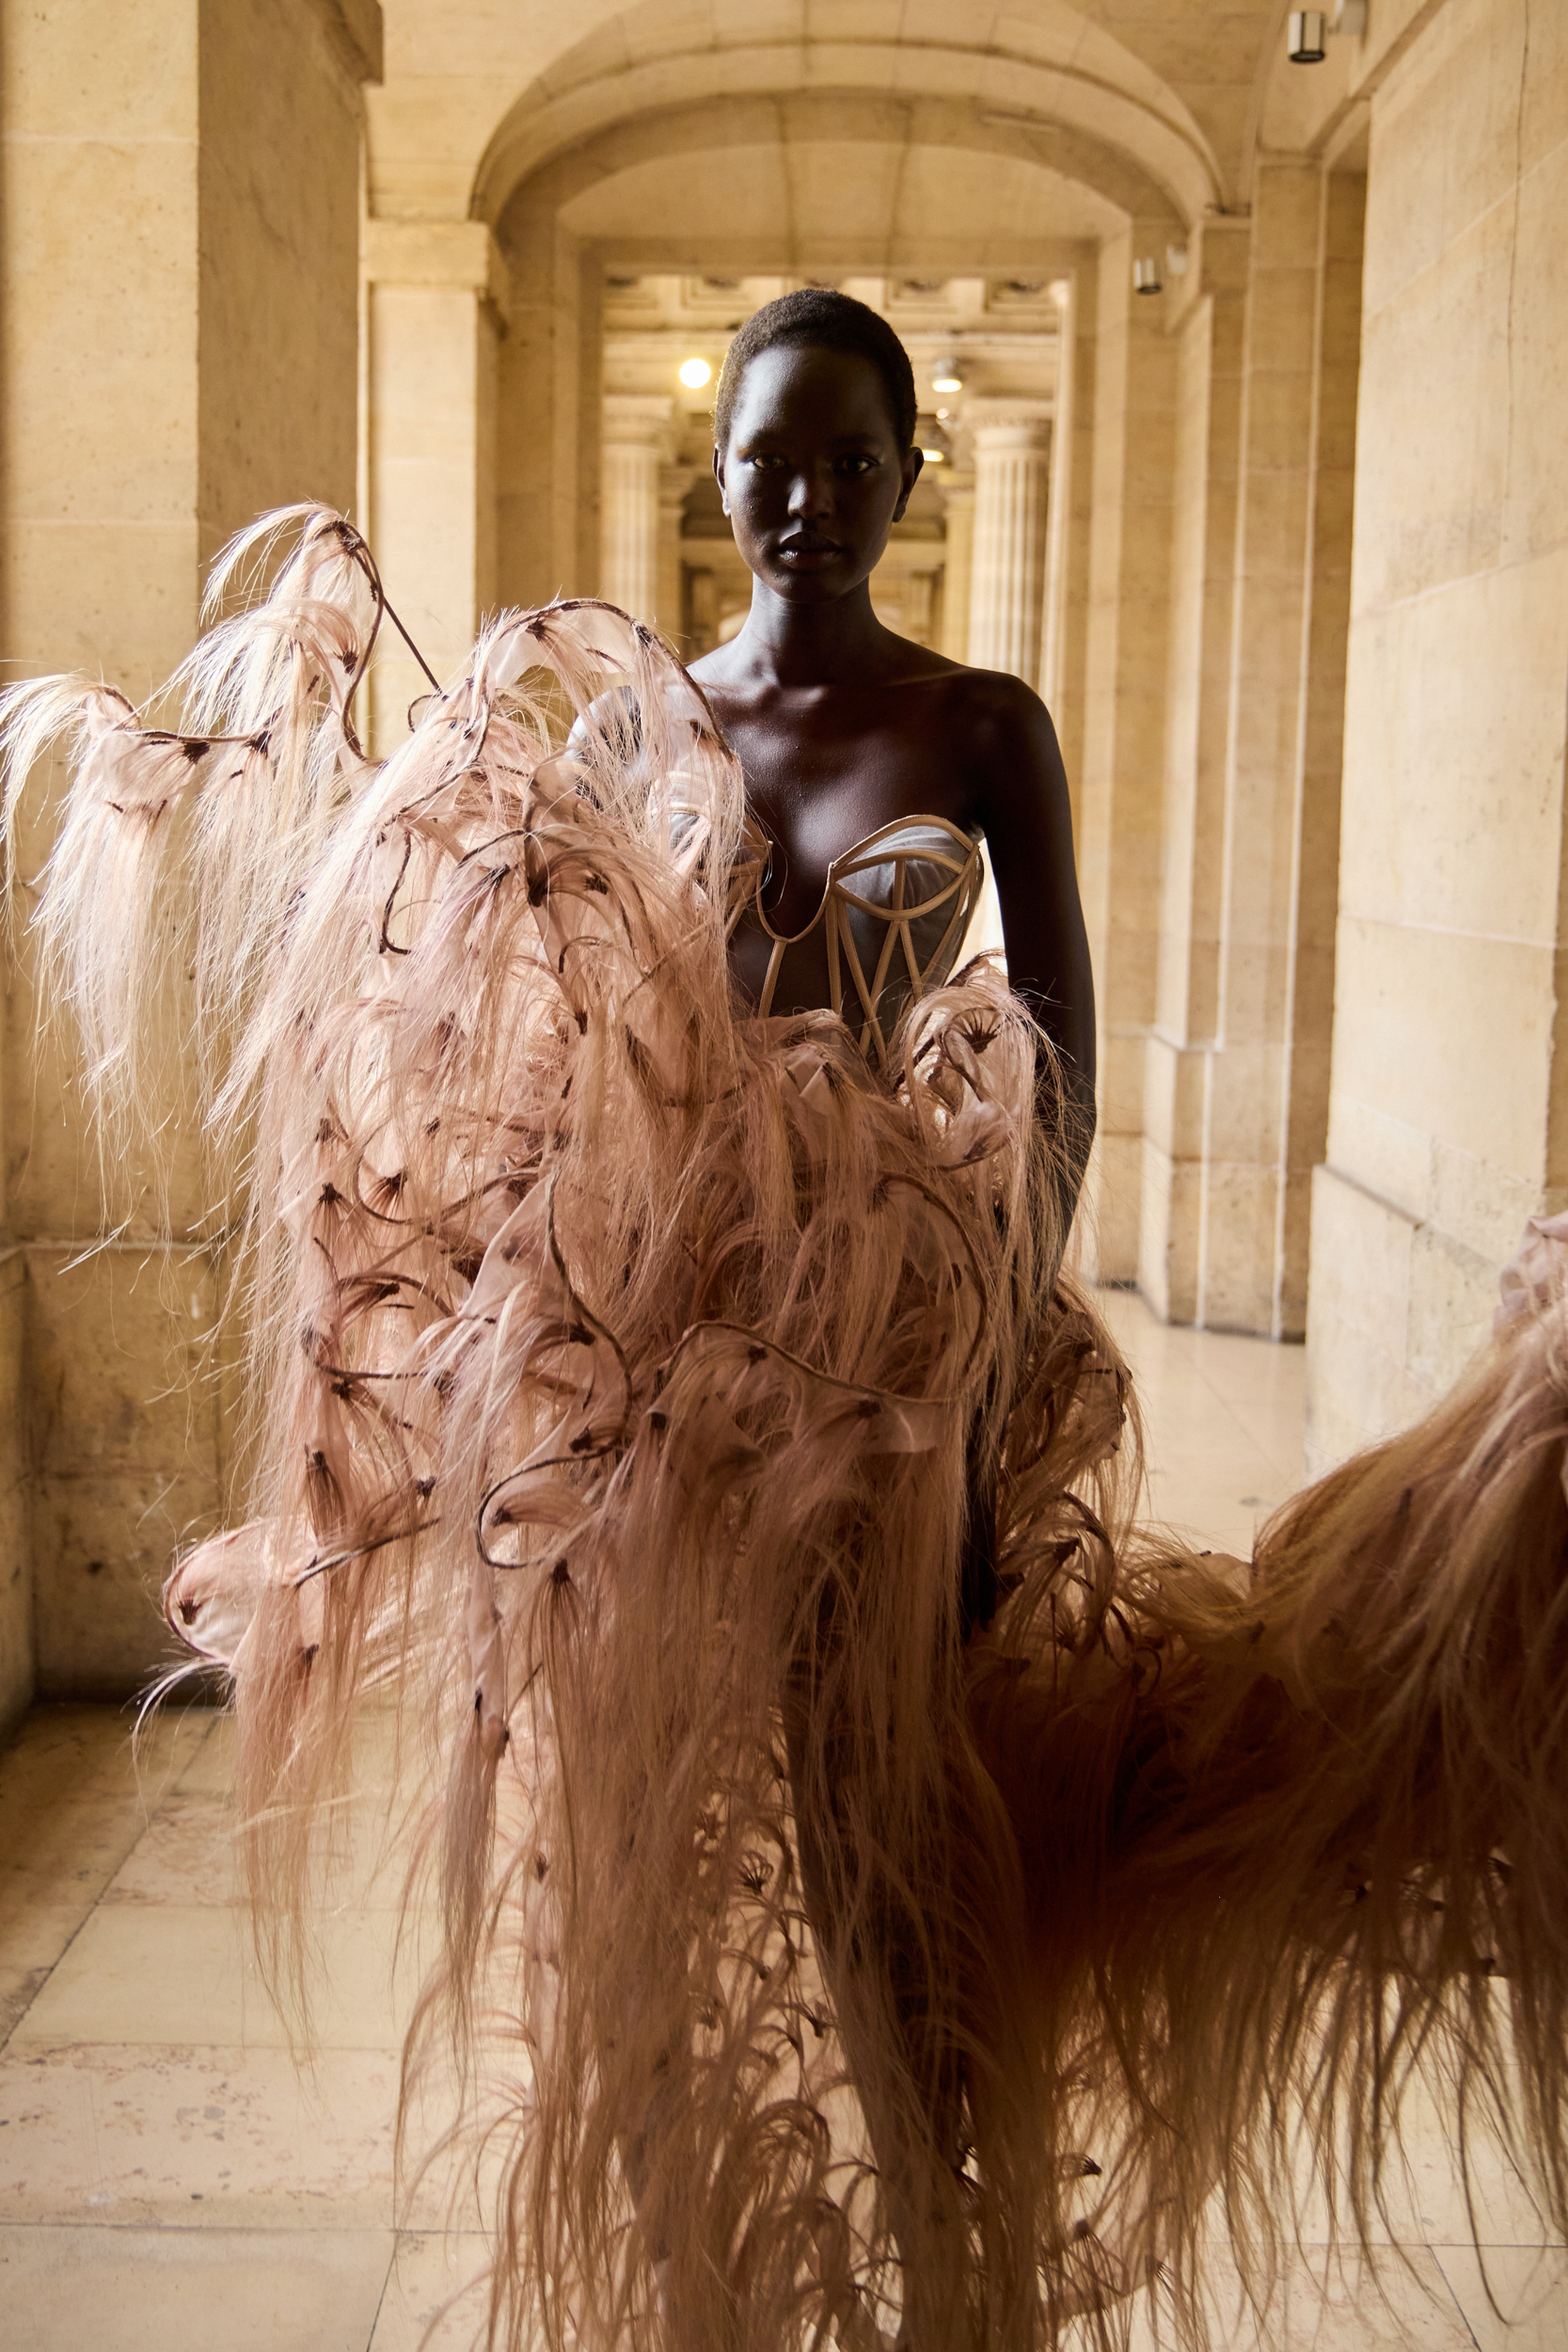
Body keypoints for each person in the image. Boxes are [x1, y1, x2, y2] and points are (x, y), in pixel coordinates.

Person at [3, 292, 1567, 2352]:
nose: (809, 498)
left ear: (911, 479)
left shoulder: (979, 722)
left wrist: (991, 1349)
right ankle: (701, 2286)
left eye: (852, 461)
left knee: (879, 1848)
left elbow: (1059, 1049)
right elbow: (546, 1050)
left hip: (895, 1388)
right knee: (642, 1890)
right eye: (773, 458)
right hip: (665, 1397)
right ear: (722, 471)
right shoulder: (641, 723)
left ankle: (940, 2269)